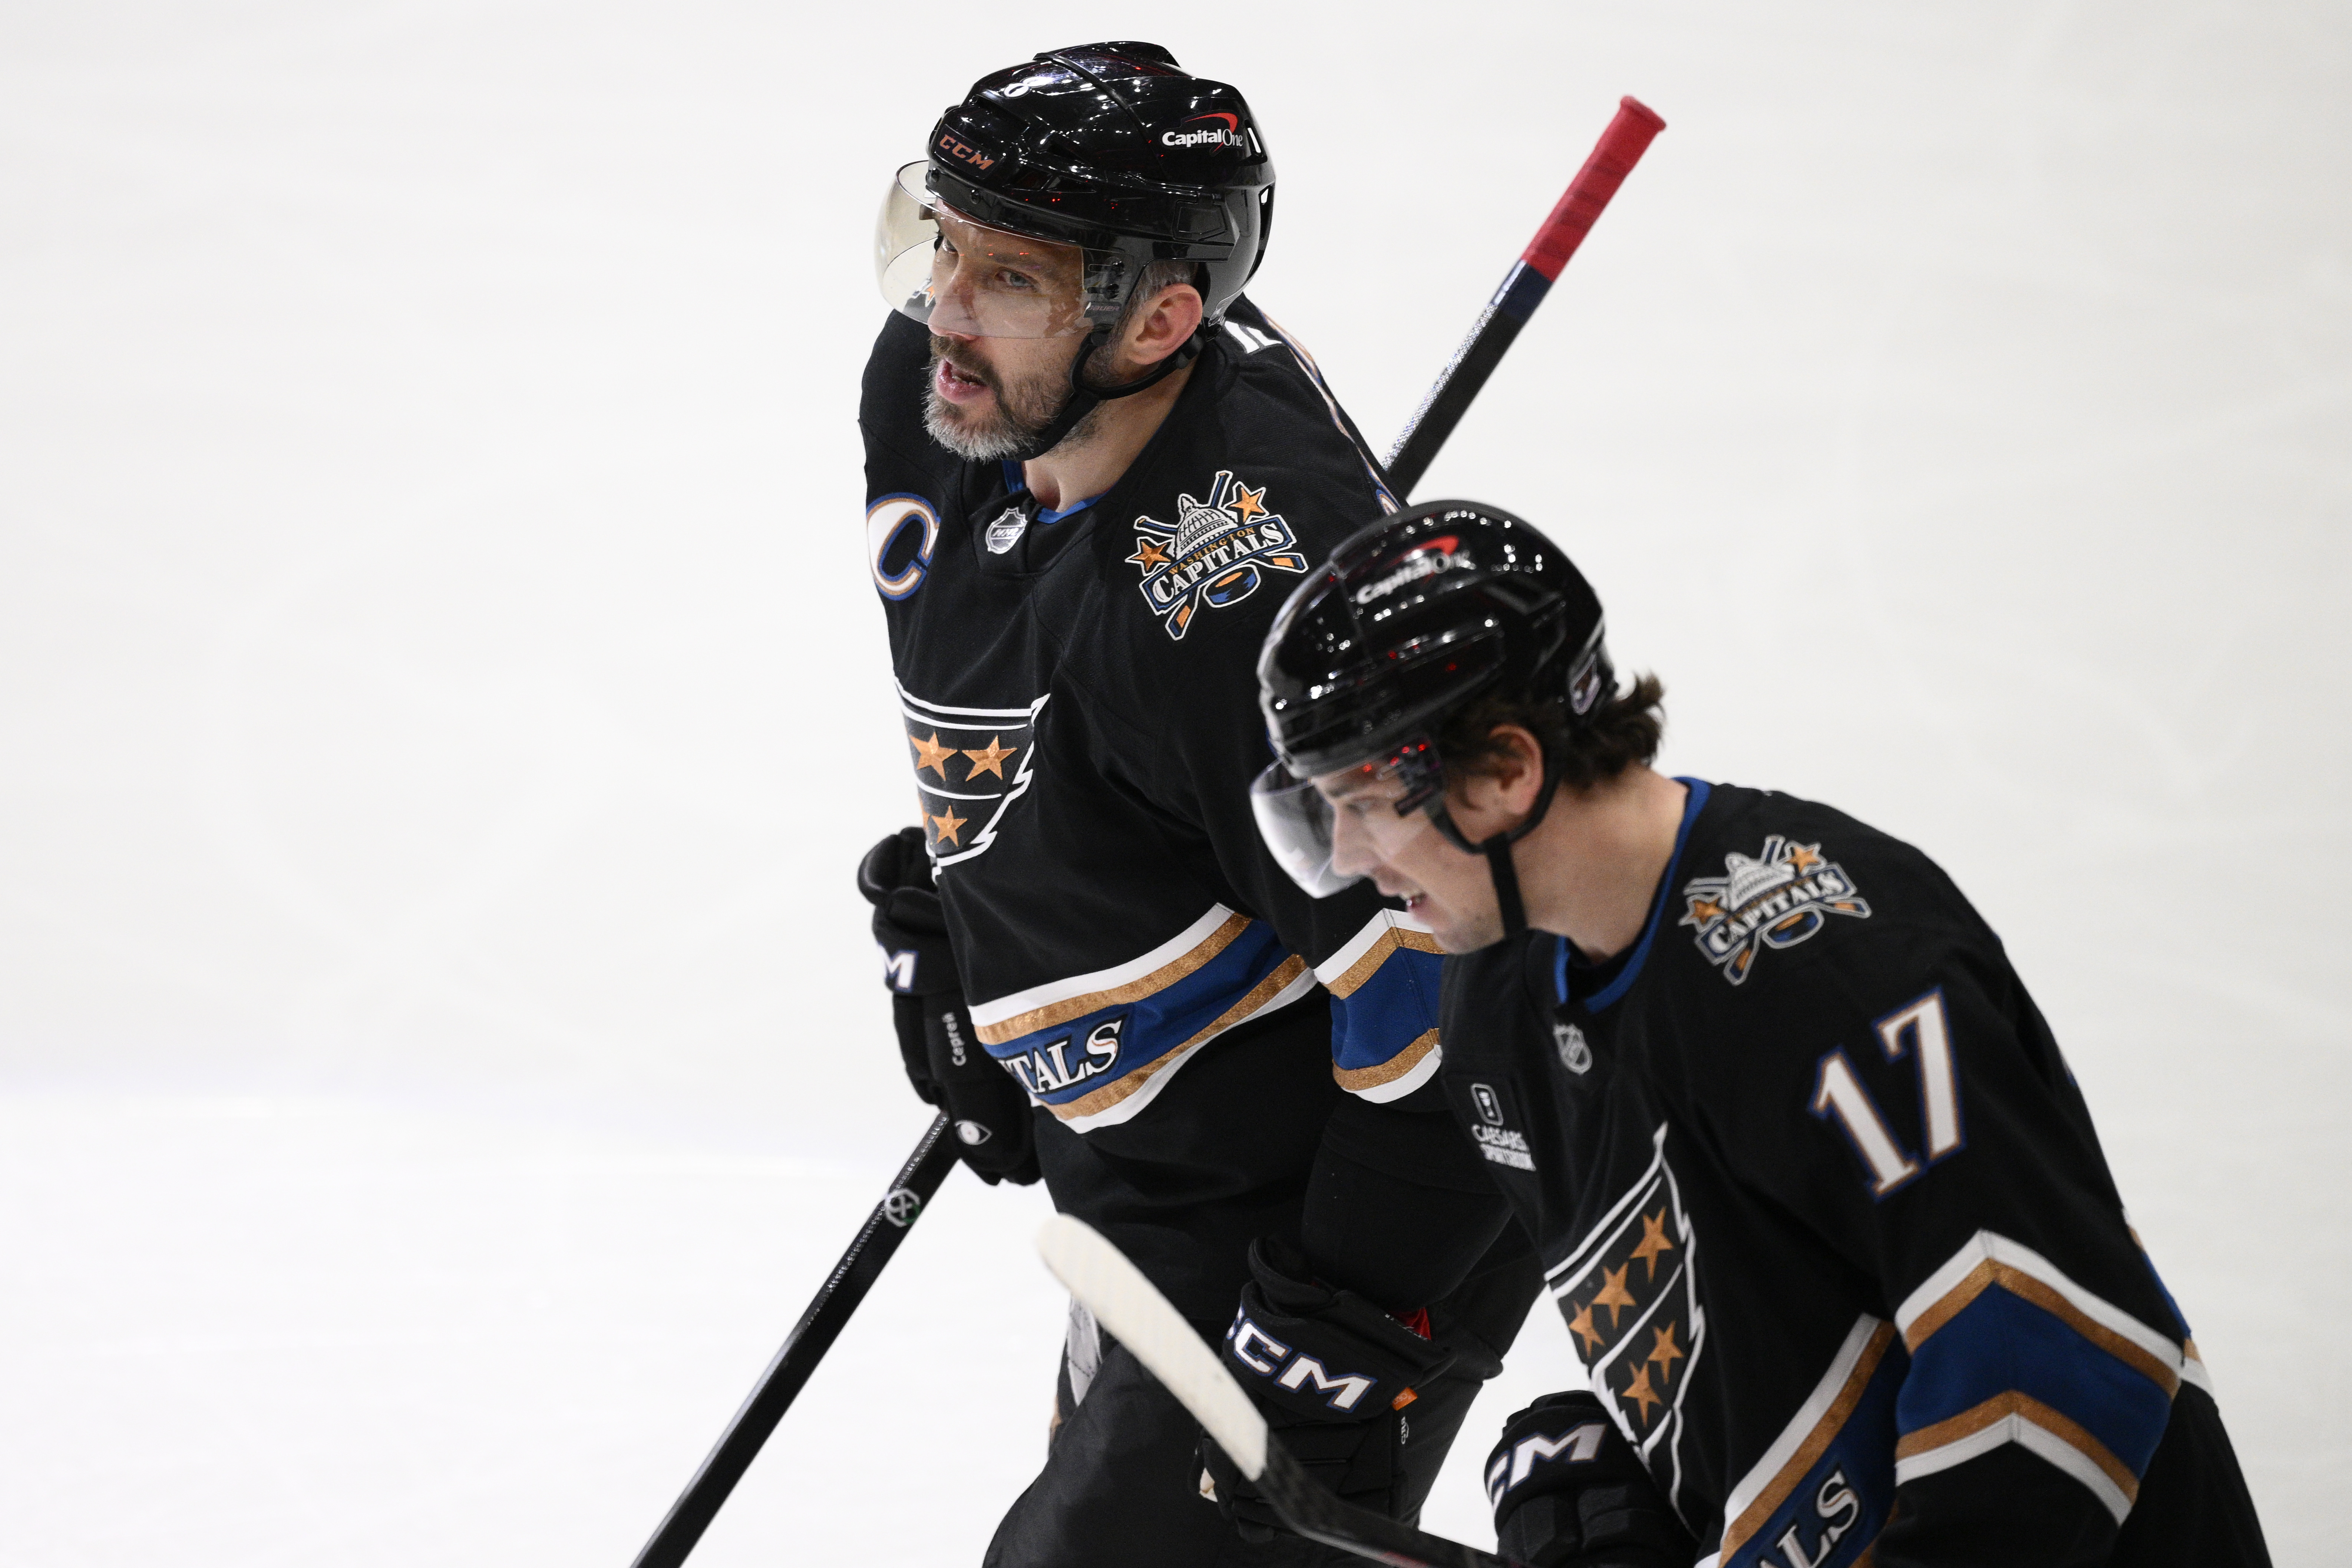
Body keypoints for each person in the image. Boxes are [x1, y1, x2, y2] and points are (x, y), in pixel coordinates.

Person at [1242, 499, 2271, 1567]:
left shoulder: (1838, 975)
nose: (1353, 859)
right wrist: (1621, 1475)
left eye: (1364, 802)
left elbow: (2055, 1358)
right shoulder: (1494, 1016)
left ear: (1507, 770)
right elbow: (1762, 1326)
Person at [853, 44, 1540, 1566]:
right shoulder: (945, 399)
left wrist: (1342, 1314)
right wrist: (972, 915)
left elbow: (1454, 988)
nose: (942, 309)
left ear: (1162, 319)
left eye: (1007, 279)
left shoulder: (1245, 616)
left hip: (1334, 1202)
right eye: (940, 238)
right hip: (1149, 1172)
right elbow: (1039, 706)